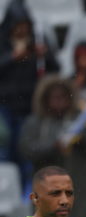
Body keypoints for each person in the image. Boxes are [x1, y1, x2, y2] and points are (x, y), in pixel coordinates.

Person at [17, 76, 86, 217]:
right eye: (55, 98)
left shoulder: (84, 120)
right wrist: (54, 146)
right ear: (45, 99)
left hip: (82, 189)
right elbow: (28, 149)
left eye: (63, 97)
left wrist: (81, 137)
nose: (59, 102)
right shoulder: (36, 123)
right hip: (48, 193)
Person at [0, 0, 58, 168]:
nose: (22, 30)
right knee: (6, 146)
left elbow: (55, 69)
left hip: (30, 105)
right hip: (5, 106)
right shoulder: (2, 43)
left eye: (25, 26)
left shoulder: (38, 40)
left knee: (26, 150)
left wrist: (44, 55)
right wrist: (12, 58)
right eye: (18, 25)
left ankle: (26, 187)